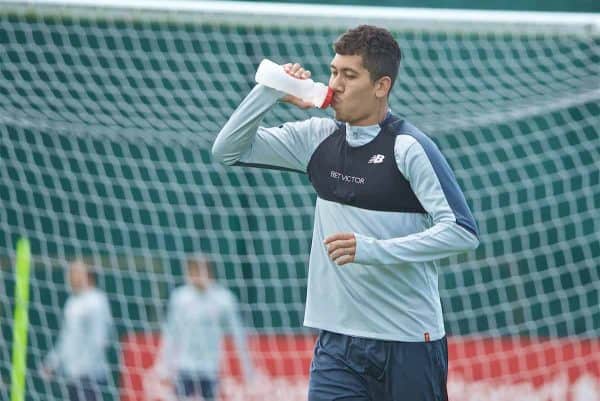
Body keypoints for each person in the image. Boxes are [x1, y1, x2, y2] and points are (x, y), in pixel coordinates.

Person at [212, 25, 480, 401]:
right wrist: (270, 89)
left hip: (408, 344)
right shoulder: (315, 137)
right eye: (334, 71)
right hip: (337, 346)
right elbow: (226, 151)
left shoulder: (409, 148)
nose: (335, 83)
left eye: (349, 75)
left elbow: (462, 232)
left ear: (381, 86)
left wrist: (372, 249)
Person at [152, 254, 253, 401]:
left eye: (201, 270)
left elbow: (238, 335)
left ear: (210, 273)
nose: (197, 275)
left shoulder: (223, 299)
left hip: (210, 369)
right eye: (193, 270)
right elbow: (171, 335)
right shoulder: (180, 298)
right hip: (185, 367)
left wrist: (247, 369)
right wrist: (163, 368)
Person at [41, 259, 113, 401]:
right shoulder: (72, 303)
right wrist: (52, 363)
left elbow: (99, 339)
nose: (70, 276)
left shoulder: (97, 301)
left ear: (88, 276)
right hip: (72, 376)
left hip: (90, 377)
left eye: (75, 272)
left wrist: (83, 368)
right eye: (70, 272)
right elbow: (66, 338)